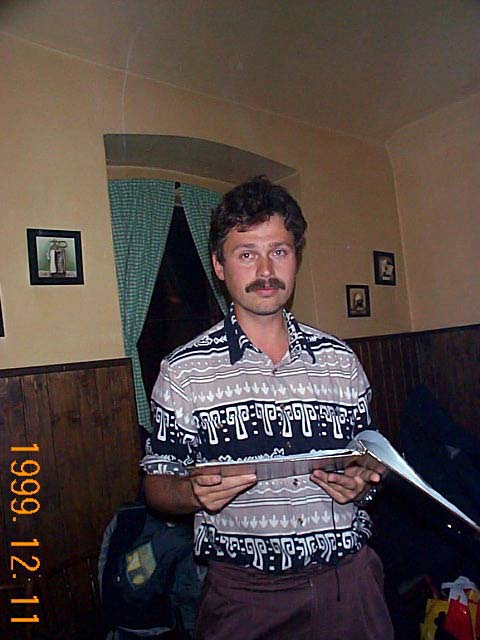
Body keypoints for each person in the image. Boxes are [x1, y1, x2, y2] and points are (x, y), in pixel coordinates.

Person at [141, 176, 393, 640]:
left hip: (350, 585)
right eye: (246, 254)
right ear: (219, 266)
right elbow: (157, 484)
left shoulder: (341, 361)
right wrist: (192, 494)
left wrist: (362, 483)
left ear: (295, 258)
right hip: (245, 598)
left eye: (278, 251)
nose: (265, 270)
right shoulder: (182, 372)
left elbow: (370, 458)